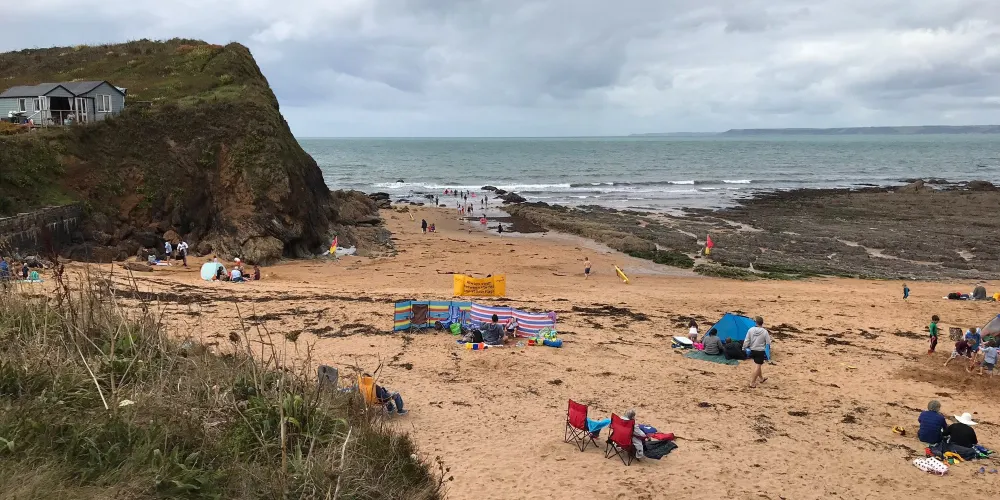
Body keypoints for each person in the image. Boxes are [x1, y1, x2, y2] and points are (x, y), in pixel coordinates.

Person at [744, 316, 772, 388]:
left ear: (756, 322)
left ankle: (761, 378)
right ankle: (752, 383)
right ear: (762, 323)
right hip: (760, 350)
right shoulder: (765, 331)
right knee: (758, 366)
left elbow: (747, 340)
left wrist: (744, 348)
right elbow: (768, 342)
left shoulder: (750, 330)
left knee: (757, 364)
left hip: (752, 350)